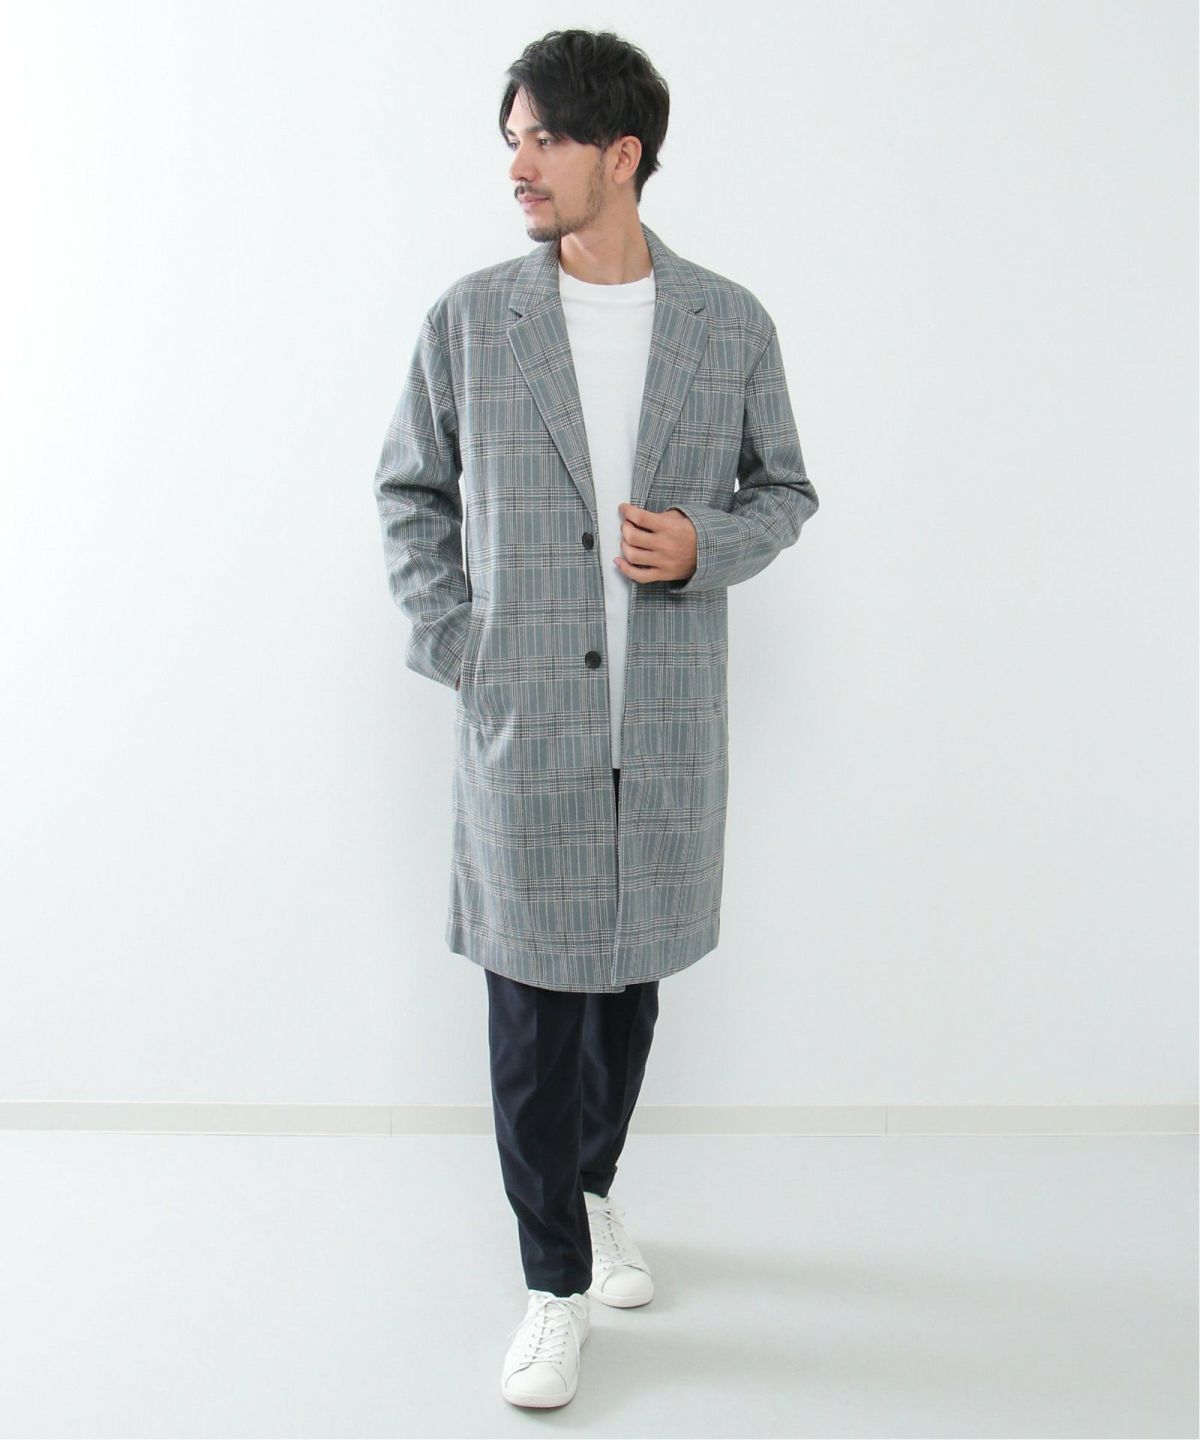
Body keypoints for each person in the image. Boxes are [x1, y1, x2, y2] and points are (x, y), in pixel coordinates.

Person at [372, 26, 819, 1410]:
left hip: (663, 724)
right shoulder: (471, 321)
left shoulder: (728, 323)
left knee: (628, 990)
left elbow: (785, 490)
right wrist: (465, 645)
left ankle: (590, 1187)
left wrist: (704, 545)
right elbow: (410, 494)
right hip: (529, 724)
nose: (519, 165)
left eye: (545, 139)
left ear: (621, 155)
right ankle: (552, 1283)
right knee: (530, 1011)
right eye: (510, 139)